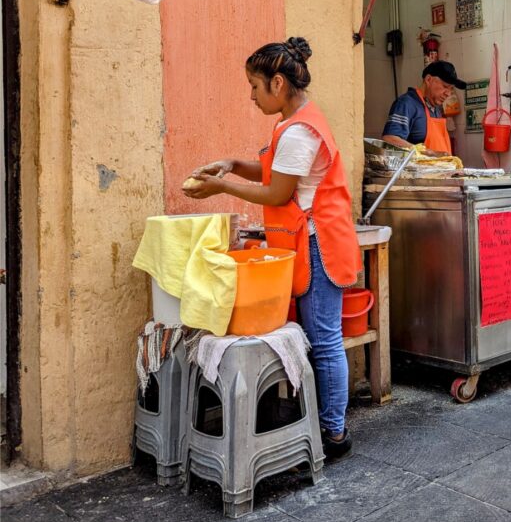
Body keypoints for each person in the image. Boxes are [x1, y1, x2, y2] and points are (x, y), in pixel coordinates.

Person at [183, 37, 361, 459]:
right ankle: (323, 423)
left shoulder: (299, 130)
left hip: (318, 244)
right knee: (322, 337)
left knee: (326, 339)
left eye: (254, 86)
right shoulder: (293, 121)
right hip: (310, 241)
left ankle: (333, 433)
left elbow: (279, 193)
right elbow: (271, 170)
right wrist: (229, 163)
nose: (251, 95)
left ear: (277, 83)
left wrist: (221, 187)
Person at [382, 60, 467, 155]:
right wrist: (429, 153)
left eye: (451, 89)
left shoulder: (436, 108)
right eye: (445, 86)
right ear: (428, 80)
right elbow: (390, 139)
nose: (448, 93)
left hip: (441, 169)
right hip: (418, 169)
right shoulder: (407, 103)